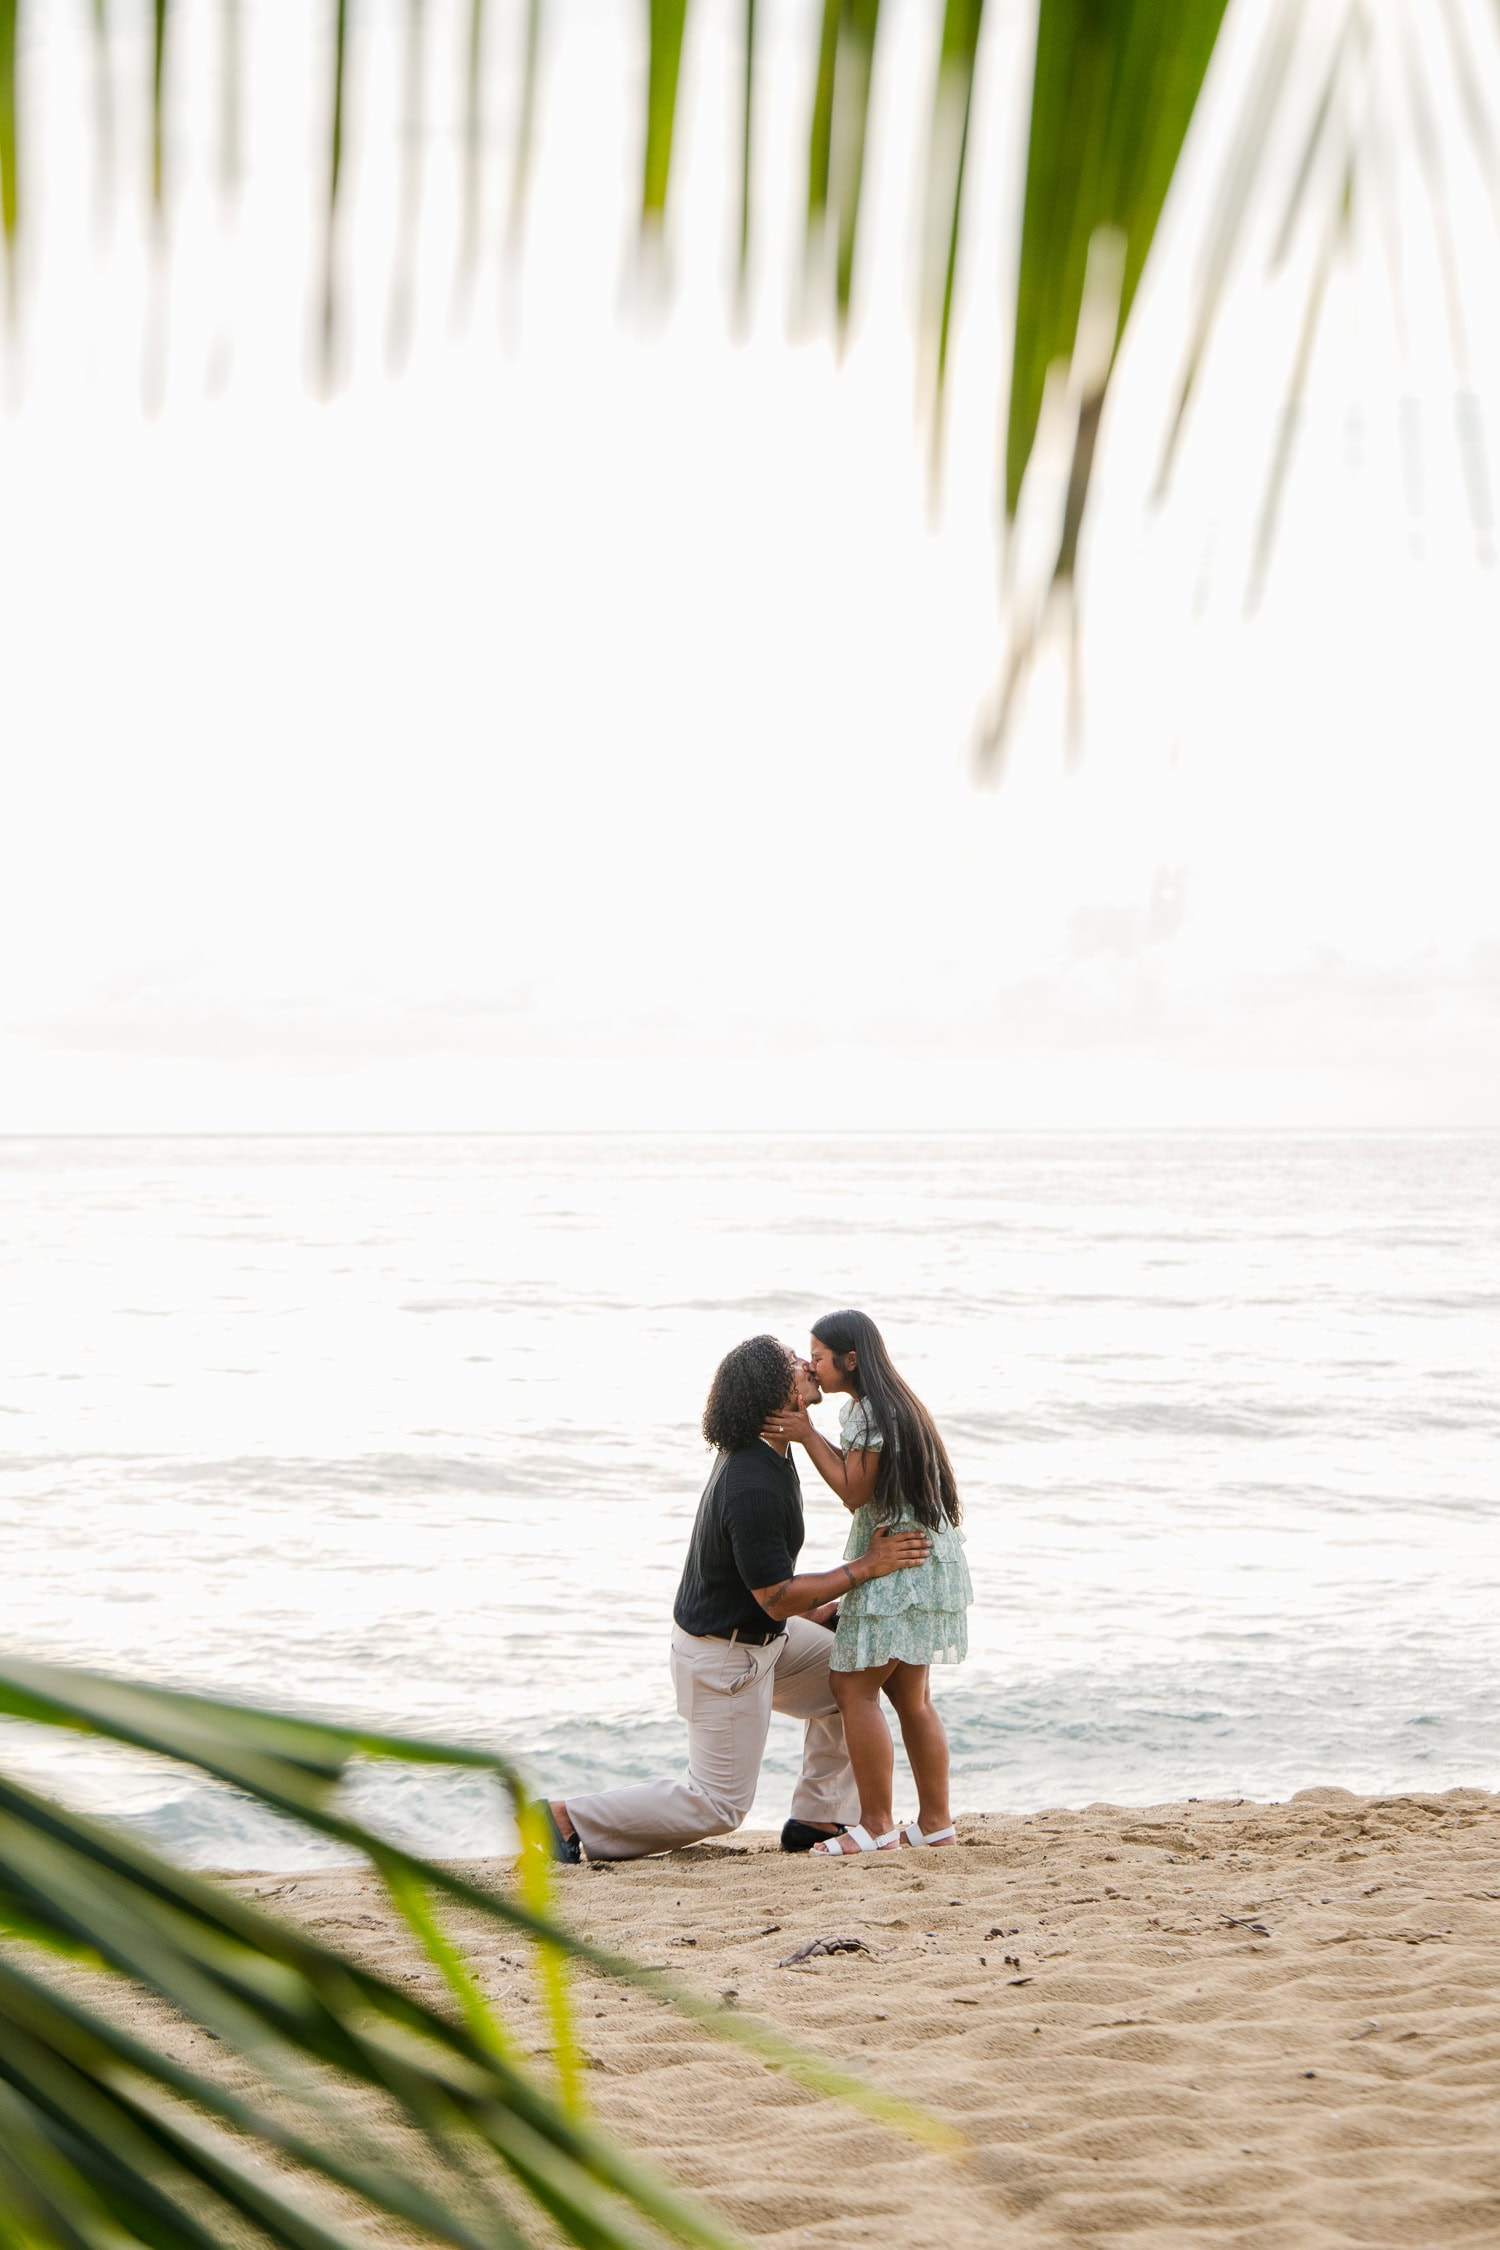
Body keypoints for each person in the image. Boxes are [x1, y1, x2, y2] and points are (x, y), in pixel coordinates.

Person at [543, 1333, 931, 1862]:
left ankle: (817, 1816)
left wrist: (822, 1610)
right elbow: (773, 1596)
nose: (806, 1364)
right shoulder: (751, 1480)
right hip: (723, 1656)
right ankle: (566, 1817)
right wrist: (865, 1567)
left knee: (852, 1679)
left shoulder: (771, 1453)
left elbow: (756, 1583)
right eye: (793, 1363)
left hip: (760, 1639)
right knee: (719, 1805)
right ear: (776, 1393)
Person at [763, 1309, 971, 1853]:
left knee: (853, 1686)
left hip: (895, 1561)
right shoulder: (897, 1403)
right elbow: (867, 1482)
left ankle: (875, 1824)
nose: (812, 1367)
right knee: (912, 1696)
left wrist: (807, 1435)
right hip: (925, 1557)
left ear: (849, 1361)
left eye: (819, 1358)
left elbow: (854, 1493)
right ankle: (935, 1824)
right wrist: (814, 1436)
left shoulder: (864, 1413)